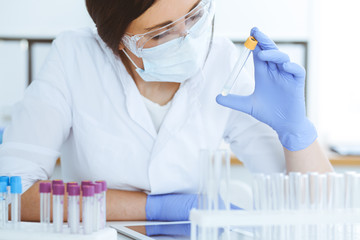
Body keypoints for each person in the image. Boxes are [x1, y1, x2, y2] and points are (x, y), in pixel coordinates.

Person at [0, 0, 332, 224]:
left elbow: (312, 208)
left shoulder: (222, 63)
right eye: (160, 33)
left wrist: (296, 132)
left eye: (194, 16)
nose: (188, 41)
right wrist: (158, 208)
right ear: (116, 41)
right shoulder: (74, 56)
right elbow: (9, 194)